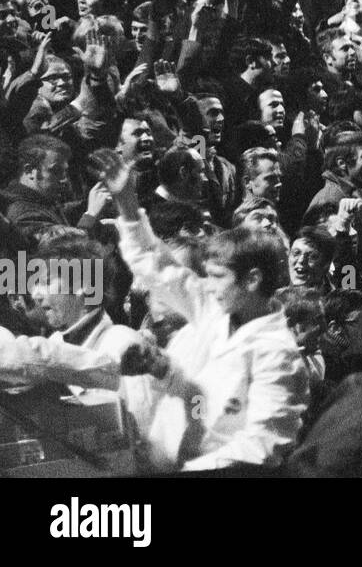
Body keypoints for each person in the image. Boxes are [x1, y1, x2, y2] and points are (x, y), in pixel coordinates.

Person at [90, 147, 309, 472]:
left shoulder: (279, 355)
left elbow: (261, 446)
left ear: (252, 280)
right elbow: (155, 264)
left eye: (217, 277)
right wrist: (126, 201)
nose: (205, 285)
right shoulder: (214, 309)